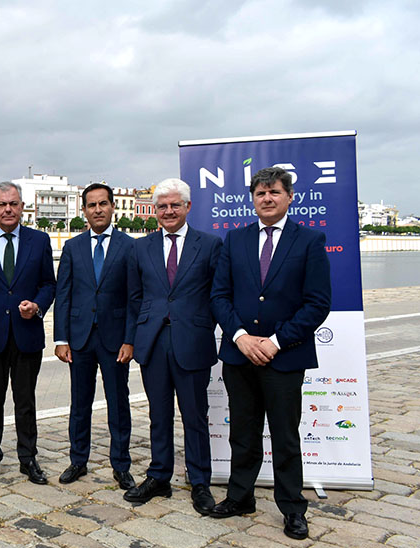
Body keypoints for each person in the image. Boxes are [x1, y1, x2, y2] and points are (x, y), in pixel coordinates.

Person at [210, 167, 331, 540]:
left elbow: (317, 304)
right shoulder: (234, 239)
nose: (267, 198)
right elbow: (219, 296)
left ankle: (293, 507)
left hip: (285, 357)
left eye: (274, 192)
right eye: (260, 193)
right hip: (239, 355)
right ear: (252, 199)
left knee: (285, 435)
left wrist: (276, 342)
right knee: (243, 433)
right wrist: (242, 337)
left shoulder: (309, 240)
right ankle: (240, 496)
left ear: (289, 196)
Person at [124, 178, 222, 514]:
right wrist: (136, 337)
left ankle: (199, 482)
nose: (168, 211)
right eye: (162, 206)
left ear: (188, 207)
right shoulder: (140, 248)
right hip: (152, 344)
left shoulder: (209, 245)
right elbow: (134, 298)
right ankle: (159, 476)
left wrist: (201, 325)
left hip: (192, 342)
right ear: (155, 210)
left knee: (195, 417)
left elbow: (217, 295)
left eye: (174, 205)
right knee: (158, 415)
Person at [0, 181, 56, 485]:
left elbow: (49, 284)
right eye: (2, 204)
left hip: (27, 332)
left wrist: (39, 306)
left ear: (22, 207)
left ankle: (28, 458)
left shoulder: (39, 240)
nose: (8, 209)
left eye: (13, 204)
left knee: (25, 400)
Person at [53, 182, 136, 491]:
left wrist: (130, 339)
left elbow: (134, 297)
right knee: (79, 403)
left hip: (116, 340)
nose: (98, 210)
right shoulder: (72, 247)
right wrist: (61, 338)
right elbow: (63, 296)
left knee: (119, 403)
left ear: (112, 207)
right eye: (92, 205)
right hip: (80, 339)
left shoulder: (129, 246)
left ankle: (122, 464)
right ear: (84, 210)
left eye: (103, 204)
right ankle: (78, 460)